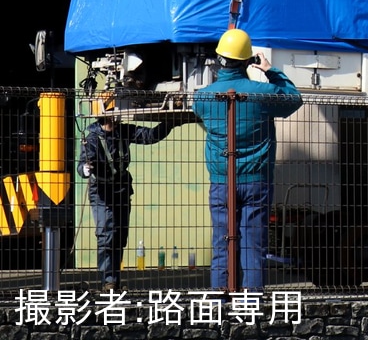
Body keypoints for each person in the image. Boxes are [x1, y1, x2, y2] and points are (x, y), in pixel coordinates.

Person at [193, 29, 302, 291]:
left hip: (221, 181)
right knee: (253, 245)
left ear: (219, 59)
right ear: (247, 61)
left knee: (222, 243)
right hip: (256, 180)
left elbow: (201, 117)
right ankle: (251, 300)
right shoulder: (261, 93)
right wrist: (270, 70)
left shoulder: (203, 97)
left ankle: (219, 299)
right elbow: (294, 98)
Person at [77, 94, 181, 291]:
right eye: (117, 110)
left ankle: (114, 280)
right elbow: (82, 163)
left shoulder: (124, 131)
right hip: (102, 191)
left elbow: (150, 136)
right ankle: (108, 280)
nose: (121, 113)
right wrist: (85, 169)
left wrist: (170, 123)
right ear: (106, 113)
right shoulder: (92, 138)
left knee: (119, 235)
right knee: (106, 234)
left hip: (122, 189)